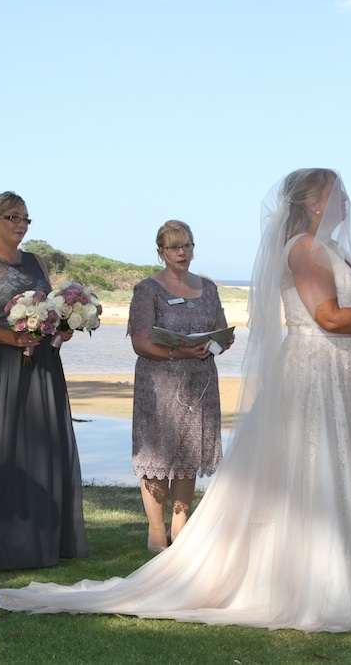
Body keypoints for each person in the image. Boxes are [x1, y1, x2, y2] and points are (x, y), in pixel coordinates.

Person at [0, 169, 351, 633]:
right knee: (305, 463)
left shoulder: (310, 255)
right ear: (314, 204)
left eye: (188, 245)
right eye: (335, 193)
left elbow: (231, 327)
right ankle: (302, 577)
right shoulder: (303, 248)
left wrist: (211, 345)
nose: (345, 199)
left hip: (309, 372)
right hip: (307, 372)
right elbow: (325, 314)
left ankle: (342, 574)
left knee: (327, 465)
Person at [0, 191, 88, 570]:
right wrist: (11, 338)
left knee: (42, 446)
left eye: (26, 218)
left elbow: (49, 310)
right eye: (13, 217)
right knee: (0, 449)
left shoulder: (37, 262)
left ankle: (42, 536)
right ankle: (0, 541)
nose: (21, 225)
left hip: (42, 365)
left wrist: (63, 327)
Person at [127, 220, 233, 553]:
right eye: (174, 247)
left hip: (199, 382)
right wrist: (177, 351)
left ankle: (180, 527)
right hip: (158, 384)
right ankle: (156, 531)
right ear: (161, 252)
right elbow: (141, 342)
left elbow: (222, 332)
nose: (181, 252)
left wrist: (214, 345)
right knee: (156, 456)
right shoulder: (148, 290)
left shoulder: (209, 288)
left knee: (189, 454)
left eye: (186, 245)